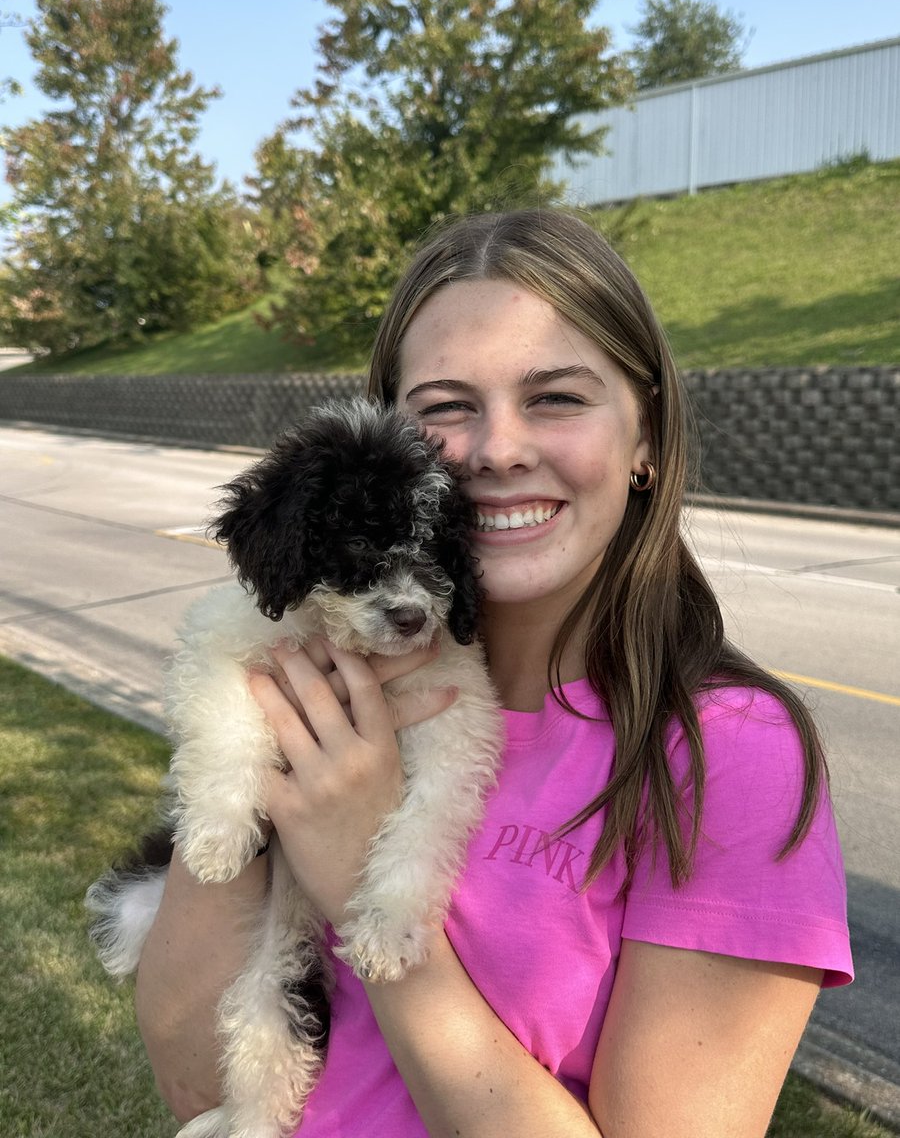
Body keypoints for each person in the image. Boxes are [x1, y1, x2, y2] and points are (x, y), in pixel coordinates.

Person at [135, 208, 853, 1137]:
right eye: (444, 408)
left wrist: (363, 877)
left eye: (556, 397)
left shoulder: (729, 761)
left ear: (646, 439)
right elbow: (195, 1084)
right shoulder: (311, 676)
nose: (498, 450)